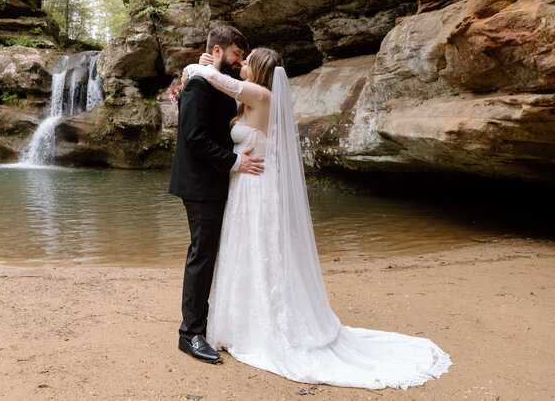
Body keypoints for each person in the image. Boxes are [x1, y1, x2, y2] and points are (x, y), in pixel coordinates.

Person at [179, 48, 452, 389]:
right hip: (246, 186)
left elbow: (219, 80)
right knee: (248, 253)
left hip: (255, 188)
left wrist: (194, 66)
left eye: (247, 60)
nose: (242, 64)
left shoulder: (261, 94)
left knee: (258, 253)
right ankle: (243, 322)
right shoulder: (259, 98)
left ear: (261, 69)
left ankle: (257, 327)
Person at [168, 25, 264, 364]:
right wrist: (236, 161)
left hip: (212, 181)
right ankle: (190, 334)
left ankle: (206, 324)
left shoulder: (212, 79)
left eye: (241, 57)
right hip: (199, 183)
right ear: (219, 50)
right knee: (202, 254)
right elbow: (193, 136)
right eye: (236, 54)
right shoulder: (198, 84)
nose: (239, 62)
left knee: (208, 252)